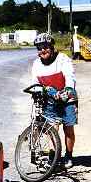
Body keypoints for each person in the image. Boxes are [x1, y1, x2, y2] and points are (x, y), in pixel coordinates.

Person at [31, 33, 78, 169]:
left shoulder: (62, 59)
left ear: (51, 47)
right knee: (51, 129)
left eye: (45, 47)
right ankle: (54, 156)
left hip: (67, 98)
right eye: (39, 48)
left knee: (68, 129)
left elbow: (70, 76)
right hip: (50, 99)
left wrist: (68, 88)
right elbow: (34, 82)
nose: (42, 51)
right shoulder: (36, 64)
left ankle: (68, 156)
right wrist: (36, 92)